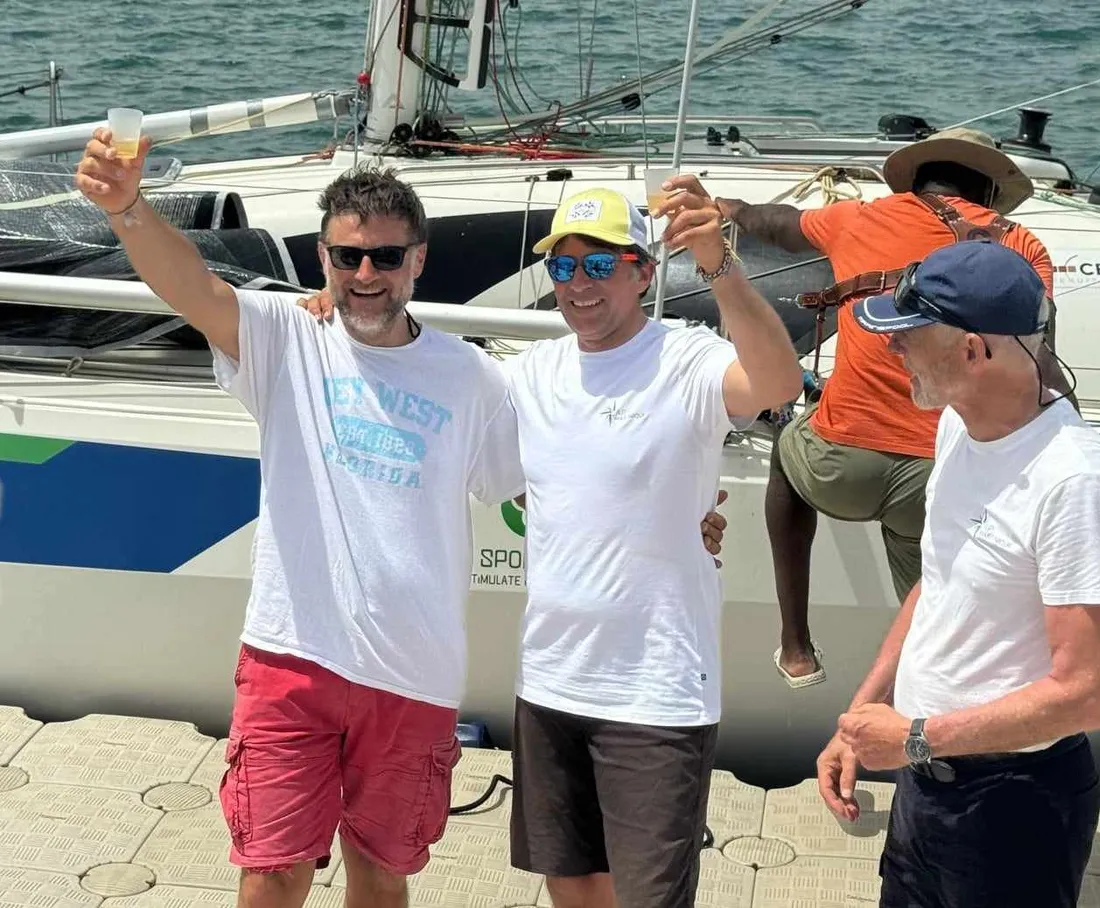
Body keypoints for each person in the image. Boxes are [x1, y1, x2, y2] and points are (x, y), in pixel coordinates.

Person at [77, 133, 730, 908]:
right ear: (320, 258)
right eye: (346, 257)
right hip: (293, 660)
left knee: (381, 876)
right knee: (271, 873)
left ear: (419, 260)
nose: (364, 275)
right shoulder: (287, 336)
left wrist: (678, 510)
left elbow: (558, 470)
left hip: (414, 678)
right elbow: (190, 288)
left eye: (386, 258)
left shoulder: (475, 377)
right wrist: (128, 209)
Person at [505, 182, 802, 908]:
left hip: (657, 692)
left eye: (601, 266)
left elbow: (776, 380)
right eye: (565, 267)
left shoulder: (688, 358)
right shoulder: (529, 374)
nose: (579, 285)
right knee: (571, 884)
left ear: (643, 271)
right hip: (548, 682)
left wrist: (719, 264)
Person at [713, 126, 1073, 687]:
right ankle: (940, 687)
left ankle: (796, 645)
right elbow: (1036, 353)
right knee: (931, 592)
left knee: (787, 448)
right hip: (934, 477)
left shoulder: (860, 216)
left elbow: (777, 226)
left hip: (838, 471)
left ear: (919, 177)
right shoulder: (1020, 246)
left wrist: (729, 207)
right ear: (986, 190)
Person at [816, 240, 1100, 908]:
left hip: (1013, 806)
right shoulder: (957, 426)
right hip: (927, 784)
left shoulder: (1072, 481)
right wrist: (863, 715)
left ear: (973, 351)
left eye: (908, 337)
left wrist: (912, 738)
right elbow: (938, 581)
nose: (893, 351)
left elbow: (1084, 693)